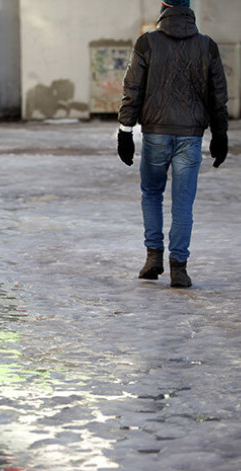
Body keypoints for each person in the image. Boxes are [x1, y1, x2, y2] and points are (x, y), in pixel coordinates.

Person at [117, 0, 228, 288]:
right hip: (190, 136)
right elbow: (218, 95)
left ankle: (153, 257)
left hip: (155, 133)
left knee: (152, 192)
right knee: (183, 202)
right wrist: (220, 134)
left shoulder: (147, 43)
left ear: (163, 9)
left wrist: (125, 130)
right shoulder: (207, 45)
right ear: (189, 9)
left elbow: (132, 88)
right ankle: (179, 268)